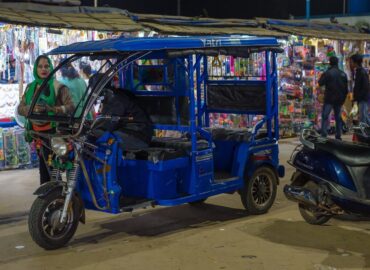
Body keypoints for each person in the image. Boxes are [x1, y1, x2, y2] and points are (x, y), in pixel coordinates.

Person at [18, 55, 74, 184]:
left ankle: (54, 197)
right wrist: (30, 109)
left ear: (51, 68)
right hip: (37, 134)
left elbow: (71, 107)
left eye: (47, 66)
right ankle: (50, 198)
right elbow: (20, 108)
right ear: (35, 69)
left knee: (54, 168)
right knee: (44, 168)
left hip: (55, 134)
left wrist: (51, 109)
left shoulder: (58, 87)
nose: (44, 69)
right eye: (40, 66)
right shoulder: (30, 88)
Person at [318, 56, 348, 140]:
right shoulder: (343, 74)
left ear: (330, 62)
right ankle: (338, 135)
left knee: (325, 116)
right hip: (339, 99)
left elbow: (320, 83)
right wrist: (343, 99)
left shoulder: (328, 73)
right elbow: (346, 89)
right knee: (338, 117)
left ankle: (324, 134)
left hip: (329, 99)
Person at [350, 53, 370, 125]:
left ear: (356, 62)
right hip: (360, 99)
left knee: (363, 117)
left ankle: (364, 134)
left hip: (363, 99)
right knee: (364, 117)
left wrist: (358, 98)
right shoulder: (358, 71)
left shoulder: (361, 72)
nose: (350, 63)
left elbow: (365, 87)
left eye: (351, 61)